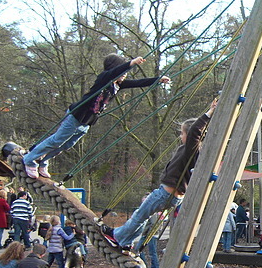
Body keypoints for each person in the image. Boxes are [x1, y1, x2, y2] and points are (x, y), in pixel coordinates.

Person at [22, 54, 170, 179]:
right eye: (122, 72)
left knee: (67, 145)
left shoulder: (118, 85)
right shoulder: (104, 79)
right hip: (76, 116)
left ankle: (42, 160)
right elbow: (117, 71)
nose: (125, 75)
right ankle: (29, 159)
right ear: (113, 70)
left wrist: (158, 80)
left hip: (86, 122)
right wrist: (131, 63)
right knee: (57, 140)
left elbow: (139, 82)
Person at [103, 100, 216, 250]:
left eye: (182, 133)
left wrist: (209, 114)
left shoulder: (192, 151)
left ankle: (117, 236)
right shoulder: (190, 150)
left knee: (139, 216)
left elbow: (195, 130)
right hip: (171, 196)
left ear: (189, 135)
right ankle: (126, 242)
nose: (180, 136)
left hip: (165, 194)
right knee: (143, 217)